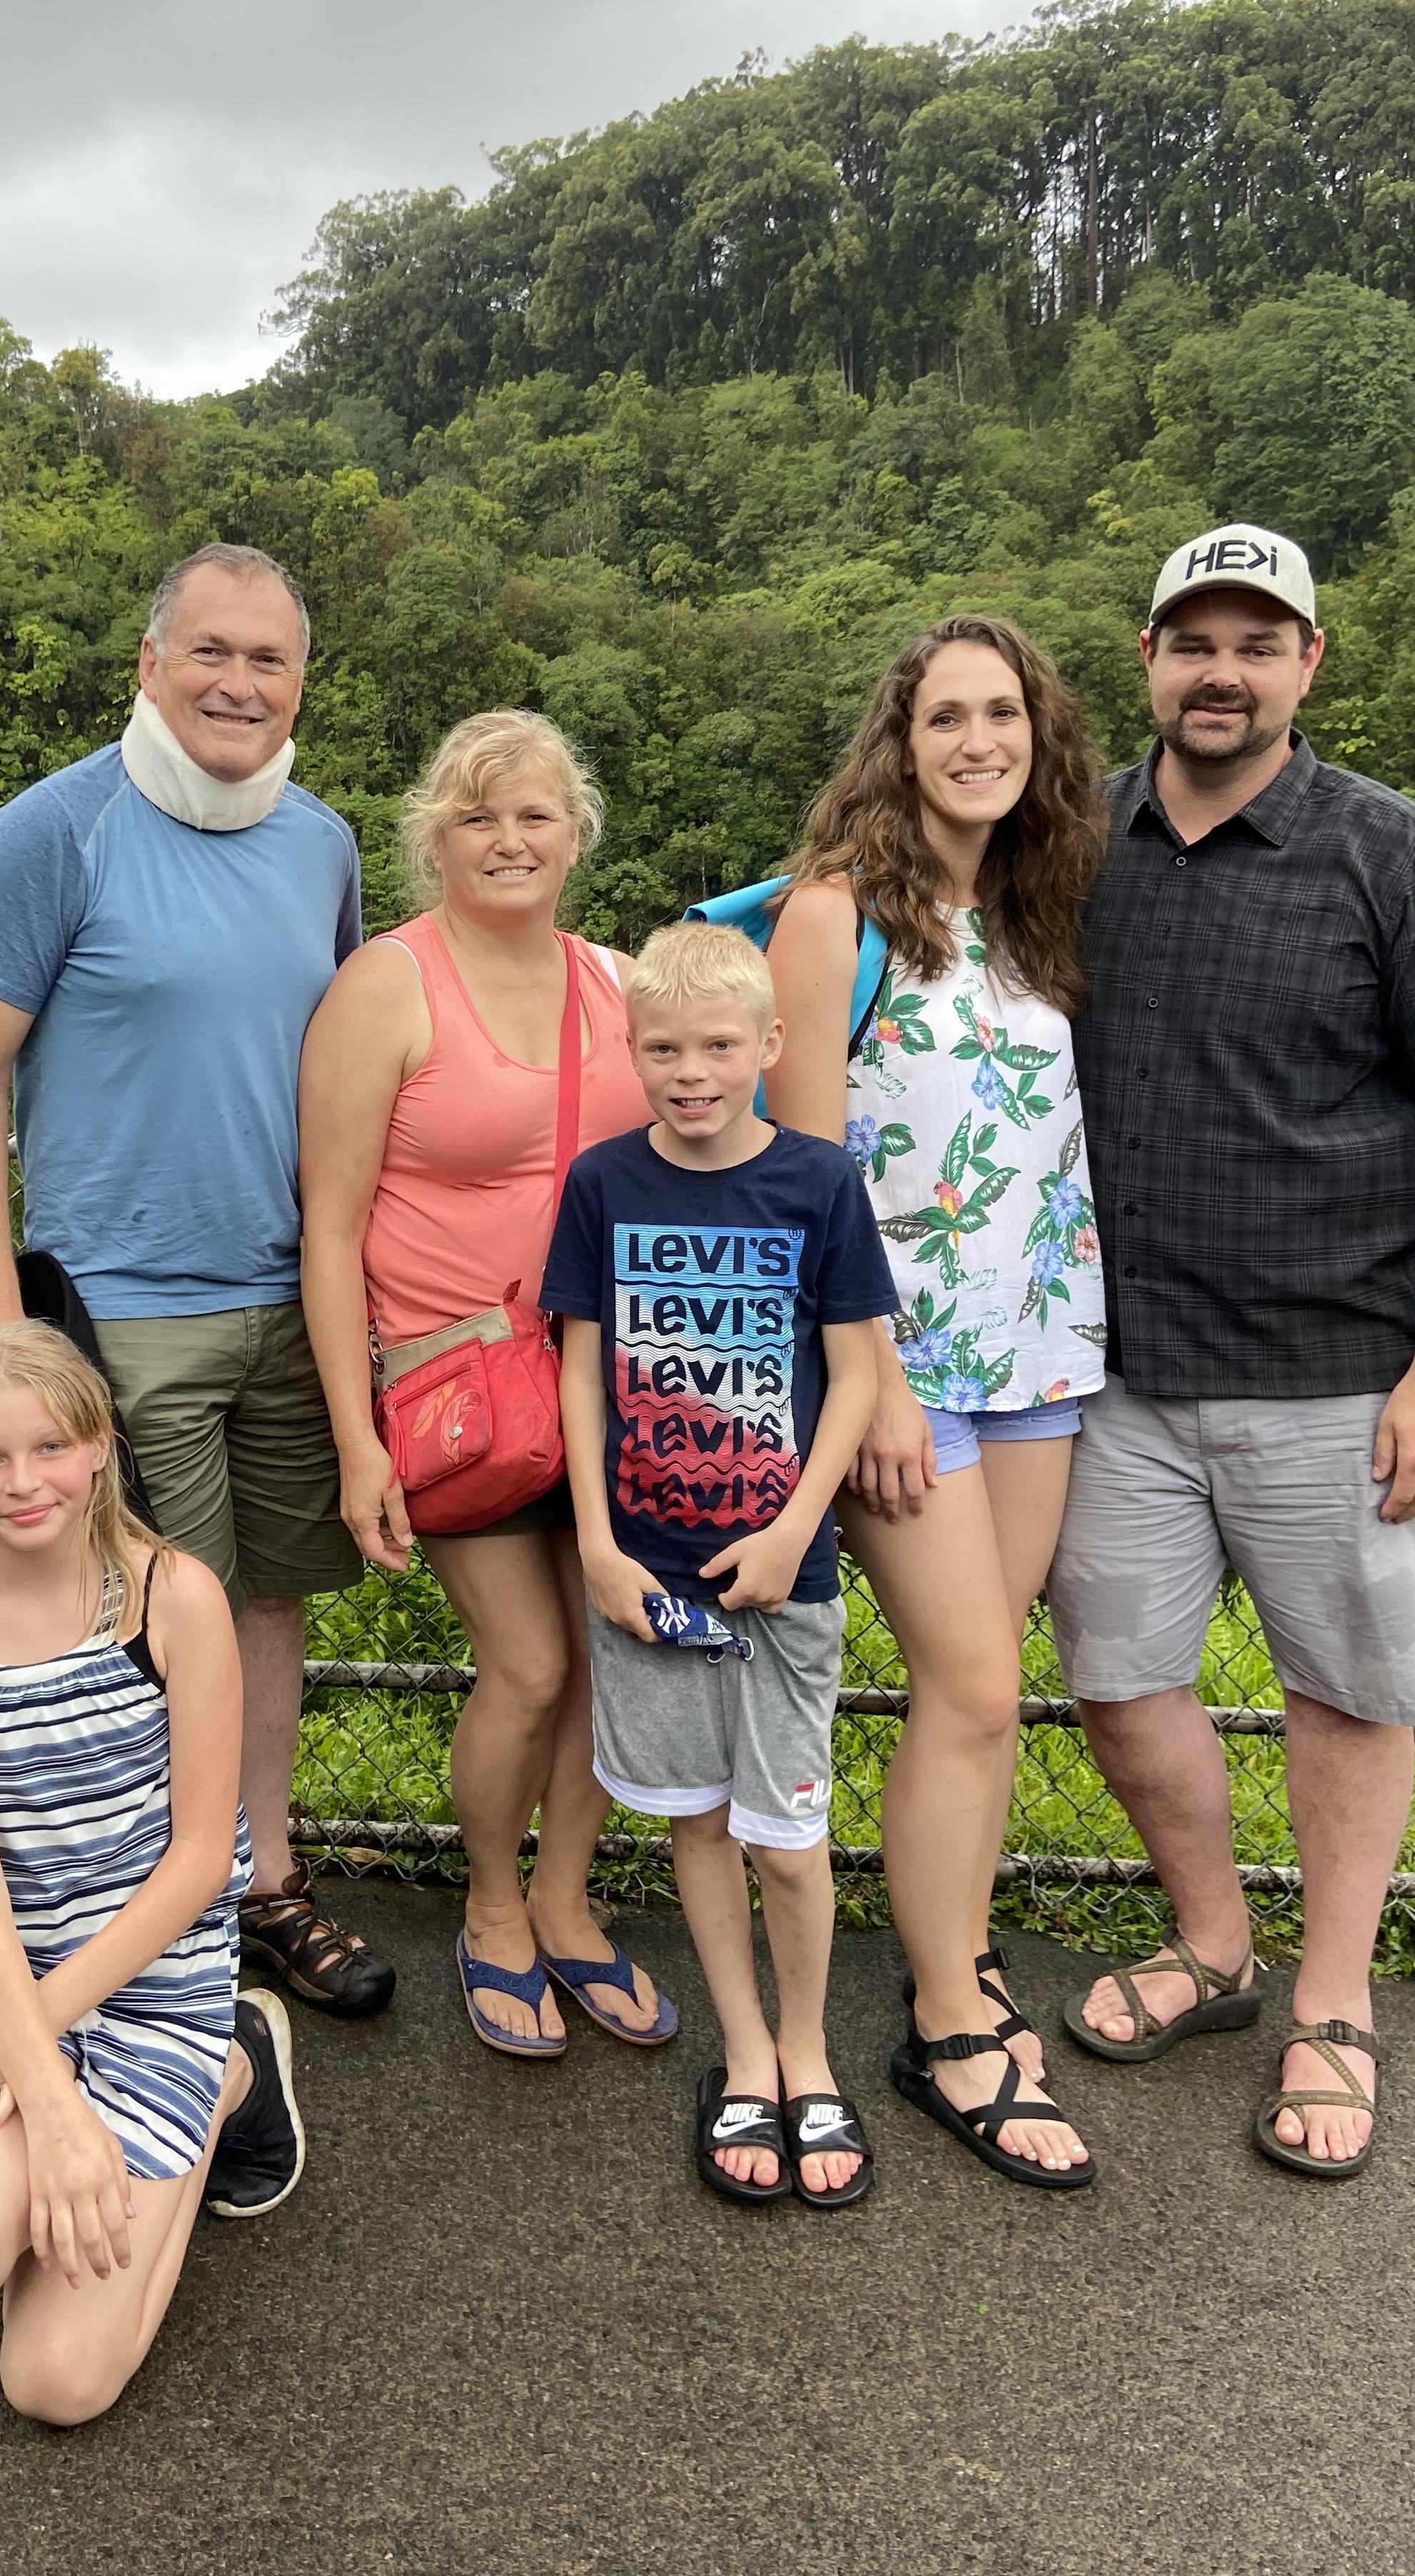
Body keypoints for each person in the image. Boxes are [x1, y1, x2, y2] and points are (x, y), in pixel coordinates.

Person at [1049, 522, 1415, 2179]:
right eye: (1196, 640)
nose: (1223, 671)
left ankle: (1336, 1997)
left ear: (1310, 663)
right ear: (1150, 657)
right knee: (1115, 1683)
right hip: (1112, 1374)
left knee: (1344, 1694)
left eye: (1260, 643)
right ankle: (1212, 1944)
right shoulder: (1069, 836)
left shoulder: (1396, 855)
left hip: (1345, 1376)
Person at [0, 541, 395, 2021]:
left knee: (268, 1609)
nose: (237, 683)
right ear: (150, 662)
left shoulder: (321, 844)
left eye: (267, 660)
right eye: (209, 652)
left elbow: (347, 1064)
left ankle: (261, 1883)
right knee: (151, 1618)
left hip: (295, 1296)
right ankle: (141, 1919)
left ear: (301, 683)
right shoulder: (54, 832)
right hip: (123, 1310)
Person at [762, 614, 1107, 2190]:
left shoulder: (1042, 917)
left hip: (1042, 1350)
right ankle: (953, 2024)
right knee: (968, 1687)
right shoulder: (837, 919)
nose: (980, 739)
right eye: (947, 716)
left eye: (1005, 713)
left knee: (986, 1699)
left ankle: (948, 1969)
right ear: (900, 743)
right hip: (904, 1372)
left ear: (1040, 733)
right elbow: (809, 1175)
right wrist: (870, 1379)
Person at [297, 710, 674, 2057]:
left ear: (577, 833)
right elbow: (329, 1229)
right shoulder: (386, 987)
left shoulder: (621, 986)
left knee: (607, 1660)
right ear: (435, 840)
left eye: (534, 815)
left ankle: (571, 1906)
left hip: (609, 1382)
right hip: (455, 1393)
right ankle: (497, 1904)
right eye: (477, 817)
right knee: (527, 1665)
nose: (508, 841)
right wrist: (357, 1444)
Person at [0, 1323, 306, 2426]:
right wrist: (42, 2083)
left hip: (156, 1962)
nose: (24, 1484)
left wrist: (55, 2103)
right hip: (8, 1969)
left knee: (55, 2387)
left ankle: (228, 2077)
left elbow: (206, 1855)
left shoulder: (175, 1598)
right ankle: (76, 2179)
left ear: (102, 1446)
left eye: (51, 1447)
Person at [544, 923, 896, 2205]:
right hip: (647, 1571)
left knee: (790, 1837)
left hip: (781, 1571)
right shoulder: (602, 1184)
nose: (690, 1072)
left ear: (769, 1045)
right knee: (696, 1820)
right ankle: (744, 2050)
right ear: (630, 1051)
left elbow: (856, 1374)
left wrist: (802, 1525)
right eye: (662, 1049)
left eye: (717, 1047)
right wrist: (592, 1541)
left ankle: (807, 2047)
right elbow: (582, 1367)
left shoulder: (816, 1182)